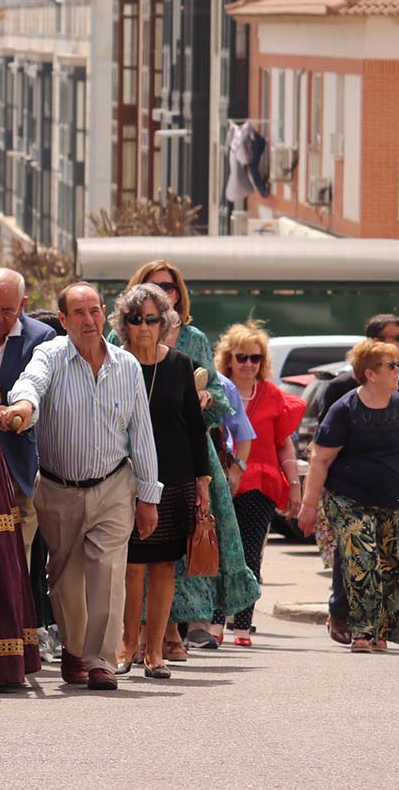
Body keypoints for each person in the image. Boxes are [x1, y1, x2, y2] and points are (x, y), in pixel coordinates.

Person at [0, 282, 161, 691]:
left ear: (104, 313)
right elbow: (30, 384)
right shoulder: (51, 354)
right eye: (79, 313)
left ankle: (101, 661)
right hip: (58, 488)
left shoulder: (126, 366)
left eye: (94, 311)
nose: (88, 321)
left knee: (108, 571)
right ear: (63, 319)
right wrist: (22, 407)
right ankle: (73, 648)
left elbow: (141, 433)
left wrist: (148, 497)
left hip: (114, 485)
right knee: (65, 576)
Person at [119, 259, 257, 652]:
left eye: (170, 287)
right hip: (129, 461)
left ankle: (173, 633)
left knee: (176, 554)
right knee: (134, 559)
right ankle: (133, 639)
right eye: (154, 285)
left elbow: (215, 401)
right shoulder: (118, 345)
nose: (163, 293)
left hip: (181, 452)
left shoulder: (192, 340)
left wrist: (206, 396)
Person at [111, 283, 207, 680]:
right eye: (136, 319)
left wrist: (202, 482)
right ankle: (127, 644)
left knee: (165, 565)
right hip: (127, 477)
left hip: (175, 476)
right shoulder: (115, 363)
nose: (144, 327)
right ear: (125, 324)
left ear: (164, 322)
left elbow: (195, 426)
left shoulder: (180, 364)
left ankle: (155, 652)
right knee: (132, 566)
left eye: (152, 319)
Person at [299, 339, 399, 654]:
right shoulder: (344, 409)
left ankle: (382, 631)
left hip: (395, 500)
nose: (398, 371)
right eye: (391, 366)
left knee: (388, 564)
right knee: (361, 559)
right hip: (347, 498)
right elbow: (320, 460)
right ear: (370, 374)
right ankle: (362, 630)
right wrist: (308, 506)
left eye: (398, 365)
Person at [0, 268, 57, 638]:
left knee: (16, 558)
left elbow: (41, 394)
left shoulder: (41, 339)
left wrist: (15, 412)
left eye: (6, 310)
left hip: (18, 467)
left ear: (22, 306)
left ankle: (14, 637)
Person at [213, 324, 303, 646]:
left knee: (250, 555)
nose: (249, 364)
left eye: (256, 358)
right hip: (221, 481)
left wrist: (295, 483)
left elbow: (284, 444)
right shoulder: (217, 390)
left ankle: (242, 626)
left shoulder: (273, 395)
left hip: (260, 483)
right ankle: (214, 624)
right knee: (219, 555)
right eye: (242, 357)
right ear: (229, 358)